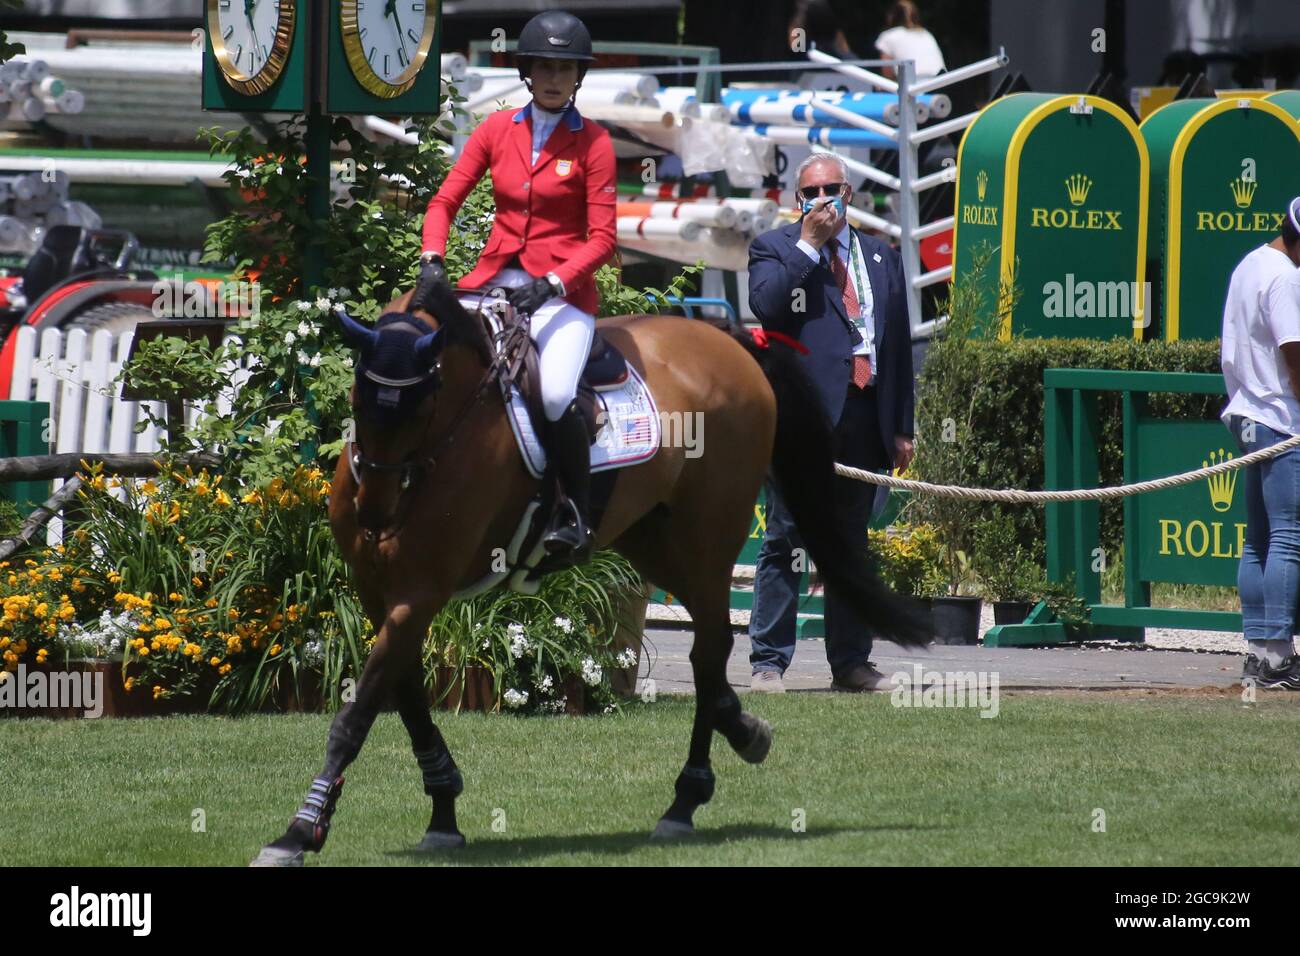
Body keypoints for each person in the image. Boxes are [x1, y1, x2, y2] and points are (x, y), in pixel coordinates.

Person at [416, 10, 616, 560]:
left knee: (552, 394)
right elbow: (445, 200)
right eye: (544, 67)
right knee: (433, 362)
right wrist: (433, 256)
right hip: (490, 283)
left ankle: (572, 512)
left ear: (579, 77)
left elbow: (602, 239)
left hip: (562, 296)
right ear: (527, 71)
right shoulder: (494, 130)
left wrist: (552, 282)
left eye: (565, 69)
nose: (554, 78)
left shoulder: (594, 144)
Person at [746, 153, 916, 693]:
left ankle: (851, 663)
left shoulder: (882, 256)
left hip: (865, 414)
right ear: (798, 201)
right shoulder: (775, 248)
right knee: (786, 536)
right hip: (804, 416)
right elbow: (768, 305)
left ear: (849, 194)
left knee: (851, 541)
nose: (821, 201)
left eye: (831, 190)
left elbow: (897, 346)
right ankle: (768, 662)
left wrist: (901, 425)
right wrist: (810, 246)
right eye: (809, 193)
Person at [1222, 197, 1300, 690]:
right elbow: (1295, 355)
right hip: (1278, 418)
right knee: (1289, 535)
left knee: (1257, 538)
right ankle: (1277, 658)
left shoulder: (1249, 263)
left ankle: (1257, 652)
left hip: (1245, 414)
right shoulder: (1287, 278)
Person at [875, 1, 946, 80]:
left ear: (891, 16)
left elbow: (887, 73)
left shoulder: (887, 36)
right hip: (940, 82)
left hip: (913, 85)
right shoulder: (926, 34)